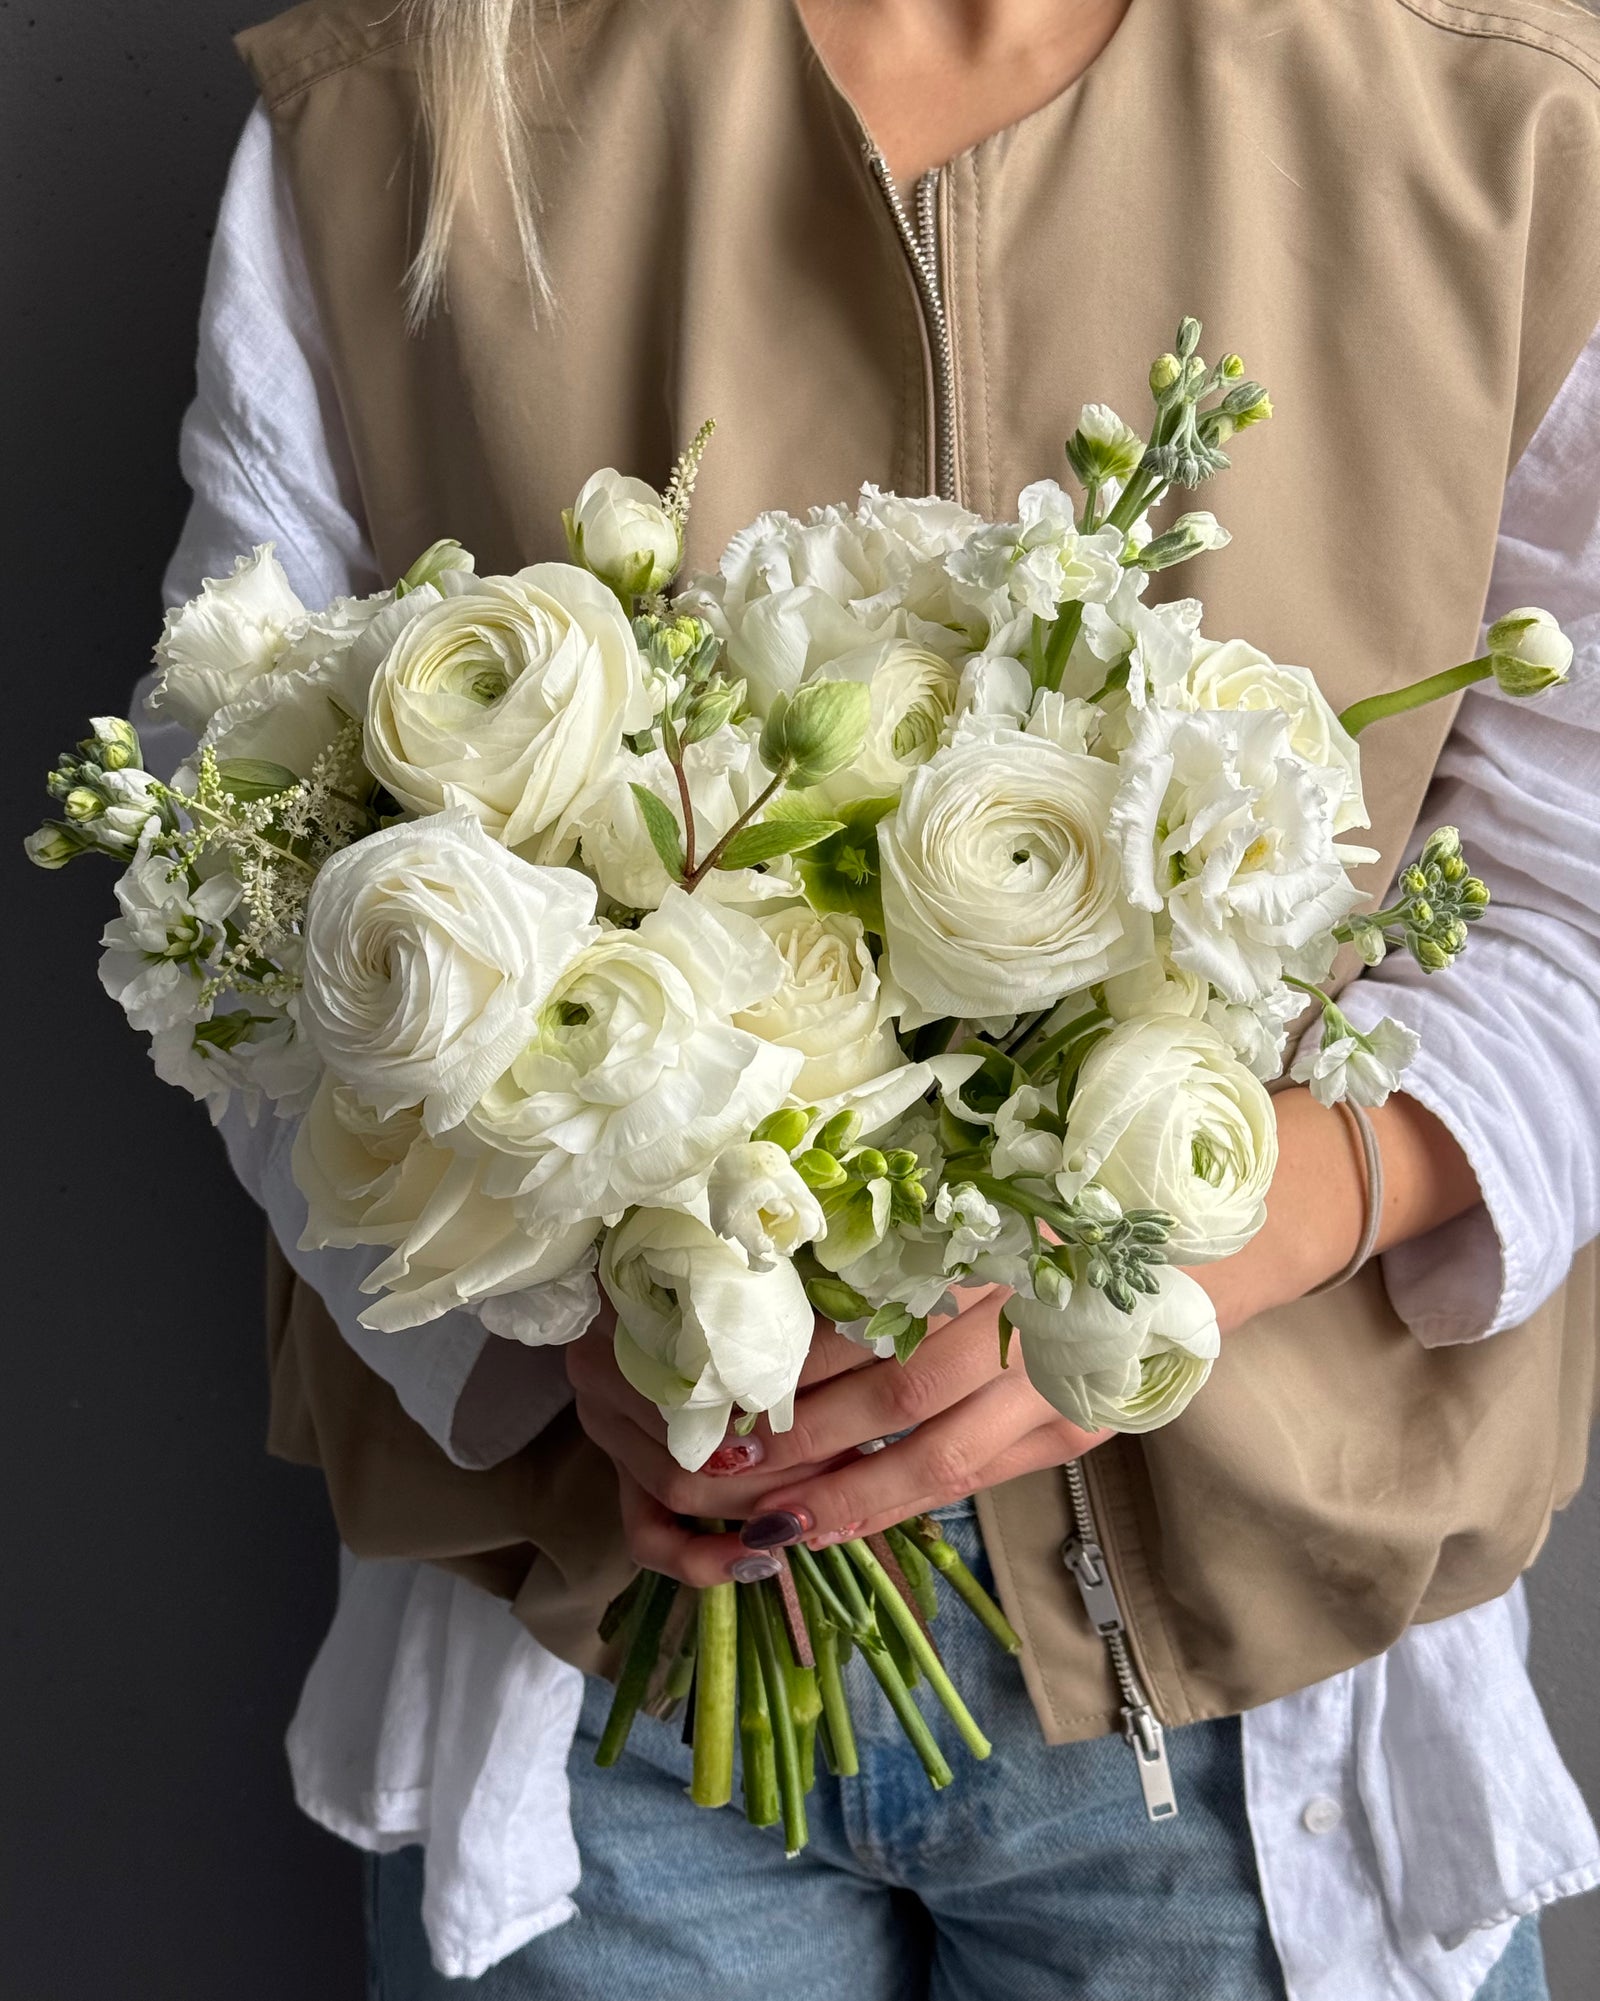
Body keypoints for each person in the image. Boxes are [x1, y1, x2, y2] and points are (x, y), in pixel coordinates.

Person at [149, 1, 1600, 1994]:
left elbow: (1575, 870)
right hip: (600, 1689)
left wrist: (1204, 1226)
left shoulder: (1498, 97)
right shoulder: (395, 104)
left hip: (1255, 1714)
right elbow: (235, 842)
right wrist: (545, 1310)